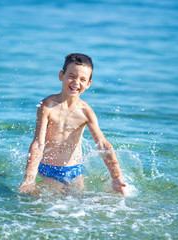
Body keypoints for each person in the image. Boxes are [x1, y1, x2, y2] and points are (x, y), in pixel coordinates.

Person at [18, 53, 127, 196]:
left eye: (82, 79)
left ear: (88, 84)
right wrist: (29, 179)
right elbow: (38, 143)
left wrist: (117, 177)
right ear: (61, 75)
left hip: (74, 171)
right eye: (71, 76)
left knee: (77, 205)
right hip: (47, 170)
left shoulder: (86, 112)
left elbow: (102, 144)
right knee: (50, 204)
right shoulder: (47, 106)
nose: (76, 83)